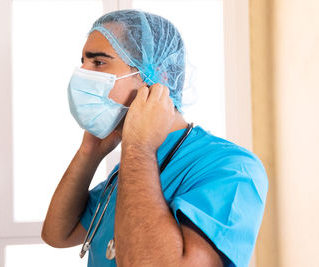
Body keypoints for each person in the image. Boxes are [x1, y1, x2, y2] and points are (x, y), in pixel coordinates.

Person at [41, 9, 268, 267]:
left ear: (157, 76)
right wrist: (89, 151)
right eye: (83, 61)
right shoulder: (128, 171)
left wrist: (139, 147)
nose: (82, 73)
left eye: (98, 63)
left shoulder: (232, 168)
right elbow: (58, 234)